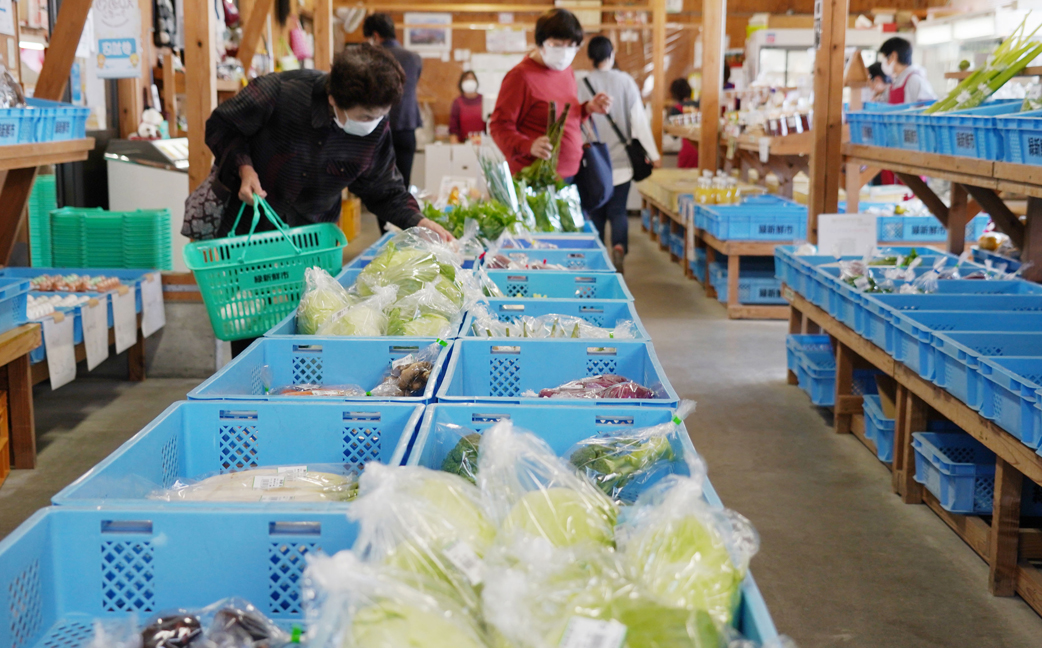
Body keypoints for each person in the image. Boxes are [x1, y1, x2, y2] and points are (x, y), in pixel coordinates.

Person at [201, 45, 451, 355]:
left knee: (314, 325)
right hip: (253, 235)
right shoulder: (279, 92)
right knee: (253, 331)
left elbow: (383, 189)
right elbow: (221, 126)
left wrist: (420, 222)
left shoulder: (376, 128)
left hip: (312, 242)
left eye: (381, 115)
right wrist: (244, 167)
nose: (375, 122)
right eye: (367, 115)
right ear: (333, 98)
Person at [489, 8, 613, 183]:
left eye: (571, 46)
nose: (564, 52)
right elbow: (498, 126)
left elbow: (565, 116)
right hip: (535, 178)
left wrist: (587, 108)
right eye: (556, 45)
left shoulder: (566, 70)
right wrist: (528, 145)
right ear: (540, 43)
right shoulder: (520, 77)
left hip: (569, 175)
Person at [578, 35, 661, 272]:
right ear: (612, 54)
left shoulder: (581, 83)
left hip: (593, 164)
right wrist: (653, 154)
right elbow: (639, 121)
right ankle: (619, 248)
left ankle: (596, 260)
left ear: (590, 57)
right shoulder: (625, 82)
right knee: (618, 212)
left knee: (595, 214)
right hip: (622, 164)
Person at [364, 13, 422, 195]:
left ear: (375, 35)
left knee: (380, 182)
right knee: (403, 184)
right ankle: (403, 223)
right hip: (407, 126)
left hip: (378, 127)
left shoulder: (371, 57)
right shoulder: (414, 58)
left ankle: (385, 225)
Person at [878, 36, 936, 104]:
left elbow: (928, 106)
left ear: (893, 56)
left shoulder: (915, 80)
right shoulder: (896, 81)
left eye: (885, 58)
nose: (884, 63)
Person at [668, 78, 699, 169]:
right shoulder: (699, 105)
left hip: (687, 151)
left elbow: (674, 136)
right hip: (703, 150)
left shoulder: (676, 109)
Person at [449, 70, 486, 143]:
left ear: (476, 82)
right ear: (461, 83)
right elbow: (453, 129)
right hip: (464, 145)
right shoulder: (457, 102)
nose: (469, 82)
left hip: (483, 144)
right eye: (467, 79)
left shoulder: (484, 100)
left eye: (472, 79)